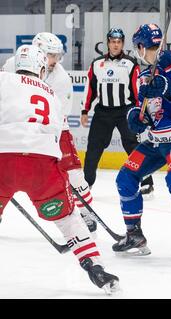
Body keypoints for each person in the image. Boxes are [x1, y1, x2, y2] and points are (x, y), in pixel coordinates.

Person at [0, 45, 119, 293]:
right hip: (42, 164)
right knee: (68, 219)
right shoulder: (51, 94)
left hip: (4, 161)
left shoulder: (3, 79)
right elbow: (57, 138)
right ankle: (96, 268)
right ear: (41, 69)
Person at [111, 23, 171, 260]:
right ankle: (134, 234)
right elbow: (142, 108)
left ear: (141, 46)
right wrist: (136, 118)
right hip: (155, 141)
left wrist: (165, 87)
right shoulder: (143, 75)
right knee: (125, 177)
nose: (137, 51)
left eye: (138, 47)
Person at [1, 32, 97, 232]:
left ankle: (87, 212)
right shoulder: (12, 65)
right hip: (19, 126)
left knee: (74, 172)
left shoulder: (61, 79)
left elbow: (59, 117)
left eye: (57, 55)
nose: (55, 60)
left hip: (53, 128)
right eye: (51, 55)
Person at [81, 28, 154, 194]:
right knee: (93, 148)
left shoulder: (130, 63)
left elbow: (136, 90)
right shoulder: (97, 64)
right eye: (113, 41)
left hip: (125, 112)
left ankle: (147, 182)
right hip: (102, 112)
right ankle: (87, 183)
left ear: (122, 44)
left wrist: (139, 111)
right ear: (107, 43)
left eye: (119, 42)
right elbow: (90, 89)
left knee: (135, 147)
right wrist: (85, 111)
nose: (115, 45)